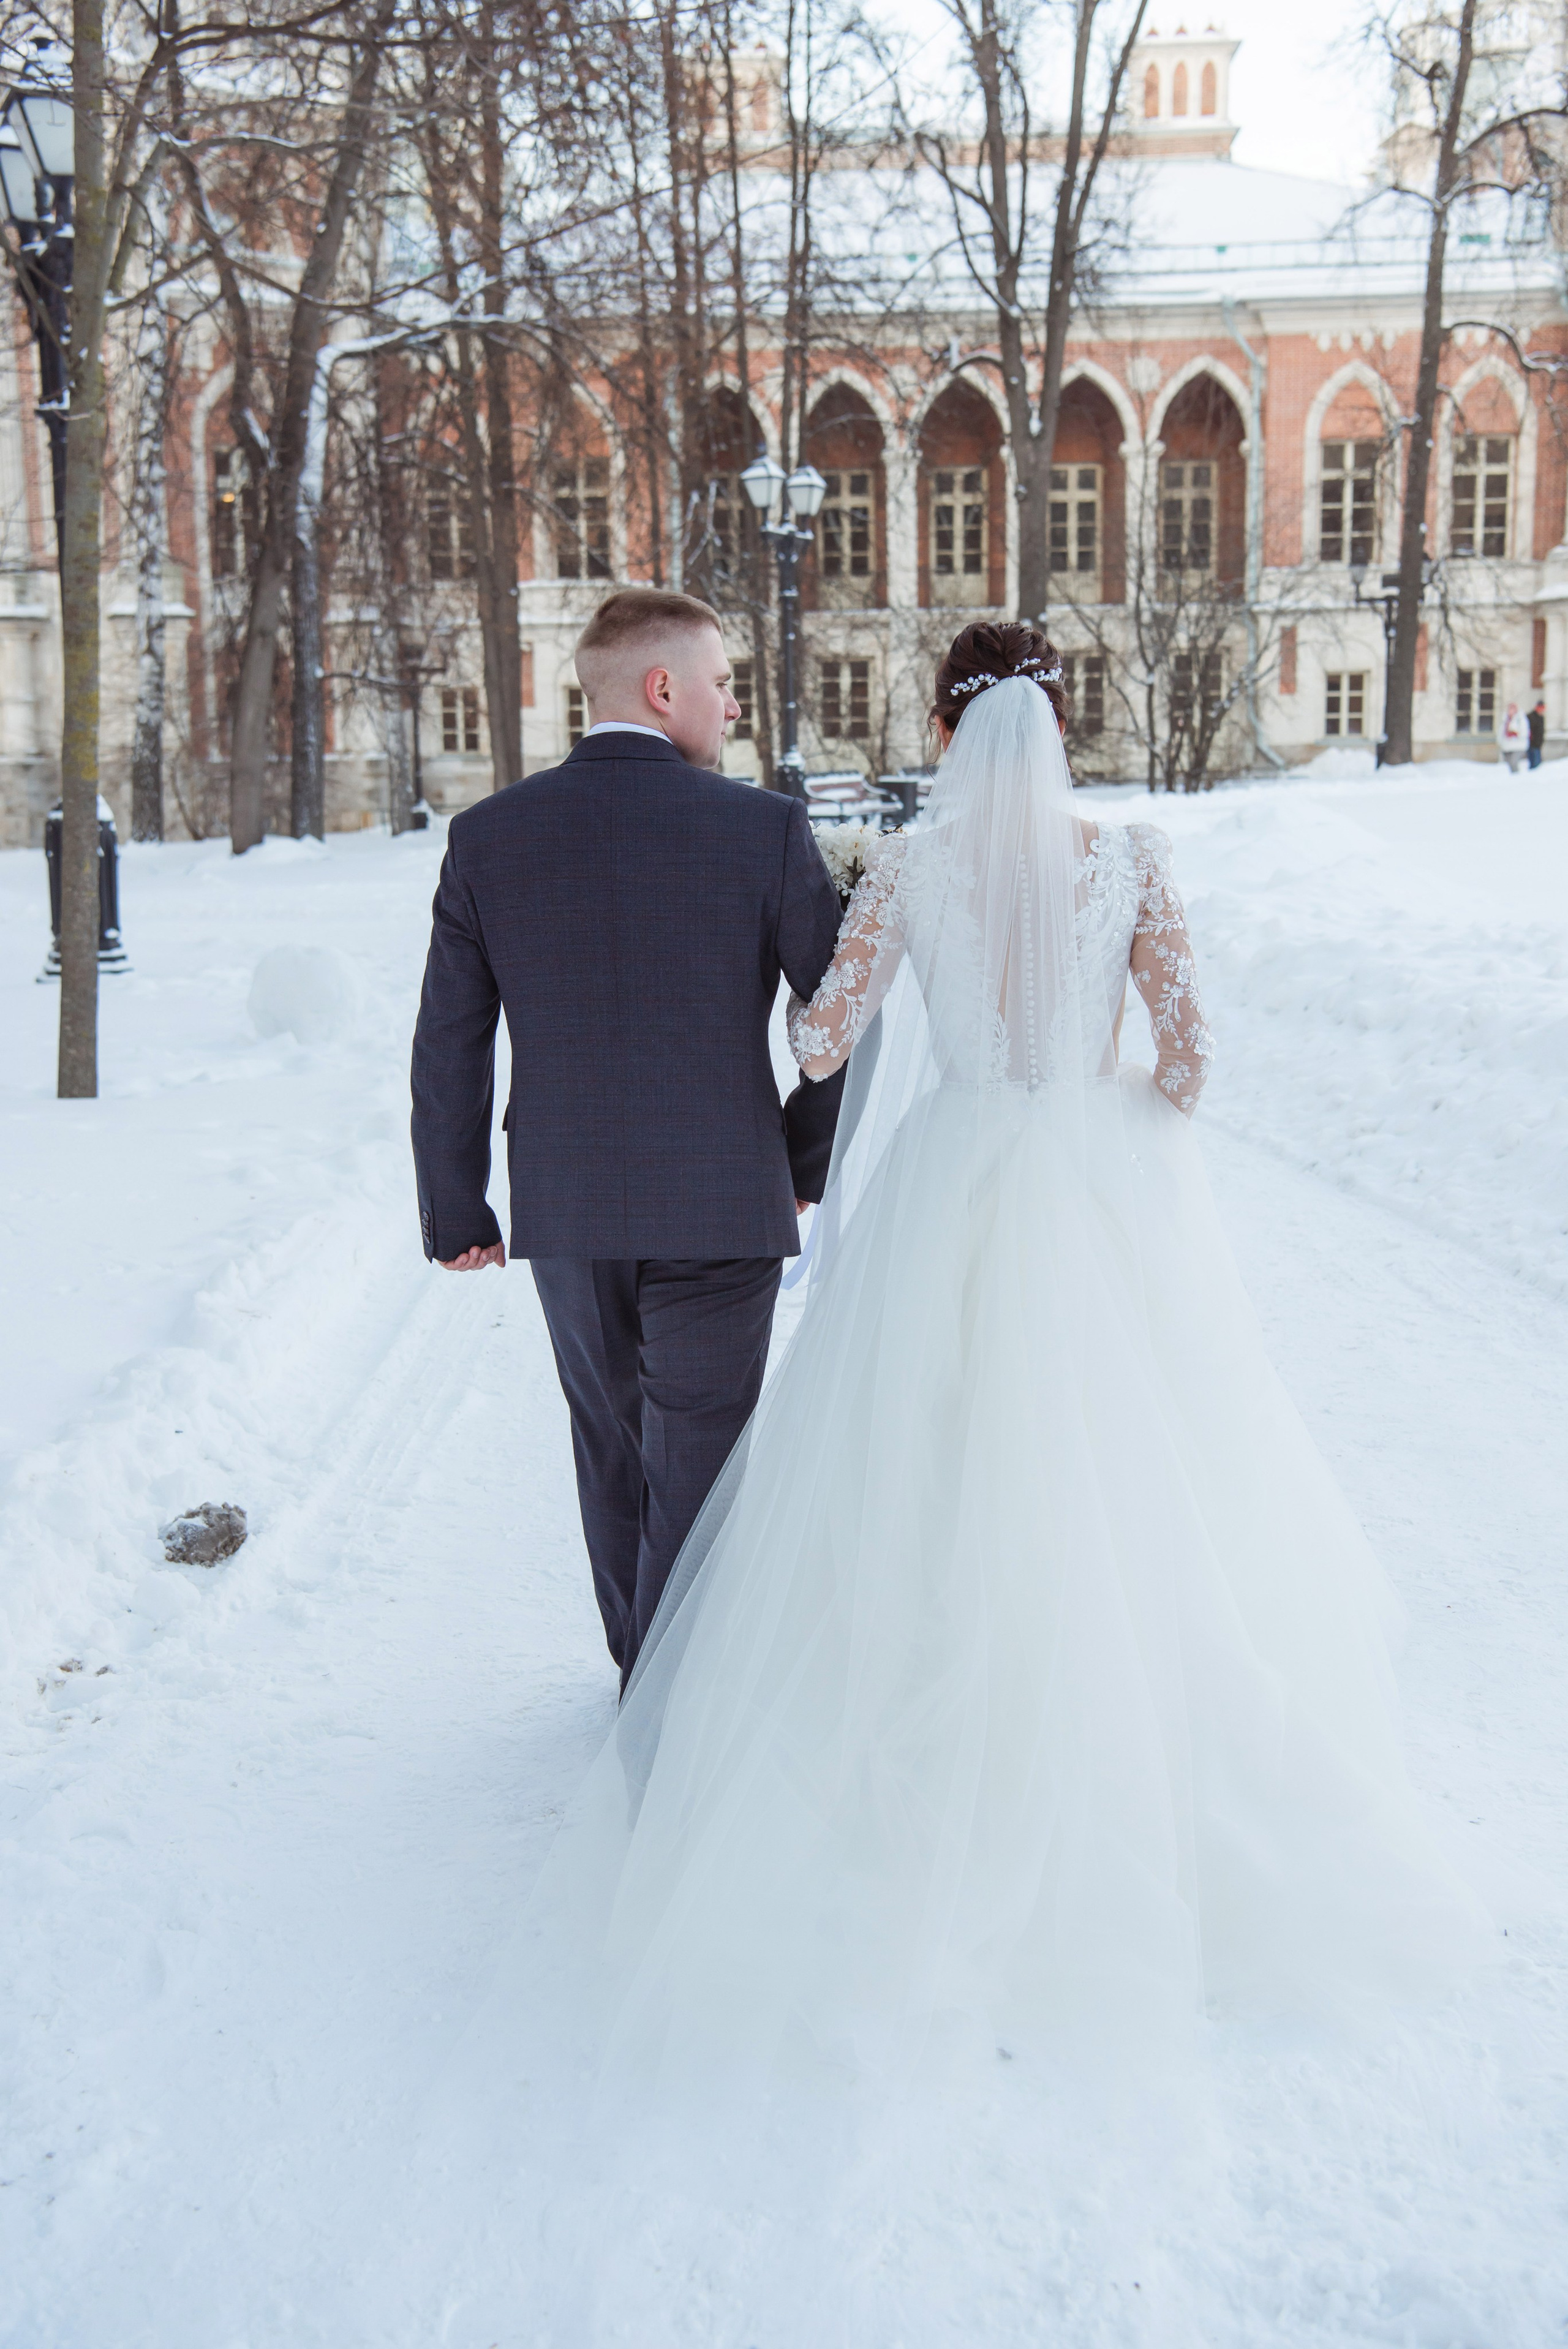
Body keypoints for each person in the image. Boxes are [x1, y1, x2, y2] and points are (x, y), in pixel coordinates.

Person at [501, 619, 1487, 2124]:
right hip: (1093, 1185)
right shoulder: (1131, 859)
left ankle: (911, 1759)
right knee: (1136, 1464)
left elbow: (822, 1040)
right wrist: (1102, 1103)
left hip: (951, 1173)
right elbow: (1192, 1063)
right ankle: (1138, 1744)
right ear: (1058, 719)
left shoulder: (904, 868)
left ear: (952, 727)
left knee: (920, 1460)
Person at [410, 587, 846, 1689]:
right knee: (700, 1459)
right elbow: (843, 1019)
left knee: (609, 1449)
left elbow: (450, 1045)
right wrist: (800, 1158)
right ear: (663, 690)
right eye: (720, 680)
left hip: (571, 1206)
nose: (734, 702)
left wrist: (457, 1208)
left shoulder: (488, 837)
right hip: (724, 1200)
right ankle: (677, 1711)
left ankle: (639, 1681)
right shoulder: (764, 829)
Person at [1501, 700, 1528, 773]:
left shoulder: (1520, 719)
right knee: (1509, 764)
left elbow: (1524, 732)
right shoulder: (1505, 719)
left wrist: (1515, 734)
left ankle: (1517, 778)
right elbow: (1501, 732)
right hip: (1507, 745)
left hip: (1518, 745)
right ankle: (1513, 778)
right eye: (1510, 709)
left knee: (1514, 762)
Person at [1528, 699, 1547, 768]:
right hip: (1532, 743)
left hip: (1538, 744)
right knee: (1534, 764)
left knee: (1538, 763)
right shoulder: (1531, 717)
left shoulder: (1541, 717)